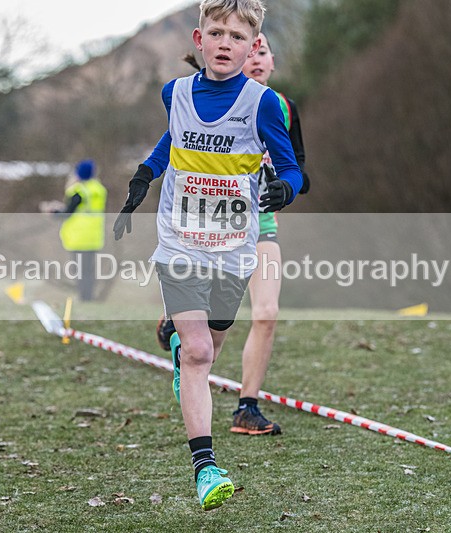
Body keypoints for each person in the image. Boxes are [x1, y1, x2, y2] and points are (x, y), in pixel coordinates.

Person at [113, 0, 302, 511]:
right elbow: (172, 140)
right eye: (216, 33)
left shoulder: (263, 104)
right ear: (199, 40)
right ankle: (205, 468)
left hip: (234, 249)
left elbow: (291, 168)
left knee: (212, 343)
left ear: (252, 46)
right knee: (199, 353)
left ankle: (183, 350)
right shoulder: (174, 93)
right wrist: (144, 176)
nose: (225, 44)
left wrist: (285, 188)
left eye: (237, 37)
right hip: (180, 241)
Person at [159, 32, 310, 436]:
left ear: (273, 61)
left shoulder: (282, 108)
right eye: (251, 51)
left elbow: (299, 169)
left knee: (266, 313)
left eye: (264, 52)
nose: (257, 59)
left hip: (261, 225)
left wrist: (289, 184)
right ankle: (180, 327)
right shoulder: (204, 103)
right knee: (209, 328)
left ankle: (247, 407)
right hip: (209, 226)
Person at [56, 159, 107, 301]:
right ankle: (88, 297)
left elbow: (67, 213)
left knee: (79, 270)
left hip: (78, 236)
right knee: (89, 270)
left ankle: (84, 298)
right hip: (94, 236)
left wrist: (53, 212)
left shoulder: (78, 191)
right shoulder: (99, 189)